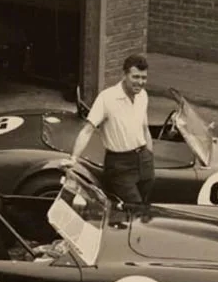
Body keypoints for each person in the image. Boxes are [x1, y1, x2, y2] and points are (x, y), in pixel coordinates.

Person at [63, 53, 154, 204]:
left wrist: (149, 156)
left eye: (144, 78)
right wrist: (73, 159)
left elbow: (145, 128)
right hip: (120, 164)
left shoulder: (143, 95)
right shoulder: (107, 98)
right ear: (124, 75)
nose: (140, 82)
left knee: (144, 205)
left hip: (144, 160)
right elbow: (88, 130)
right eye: (136, 77)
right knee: (135, 207)